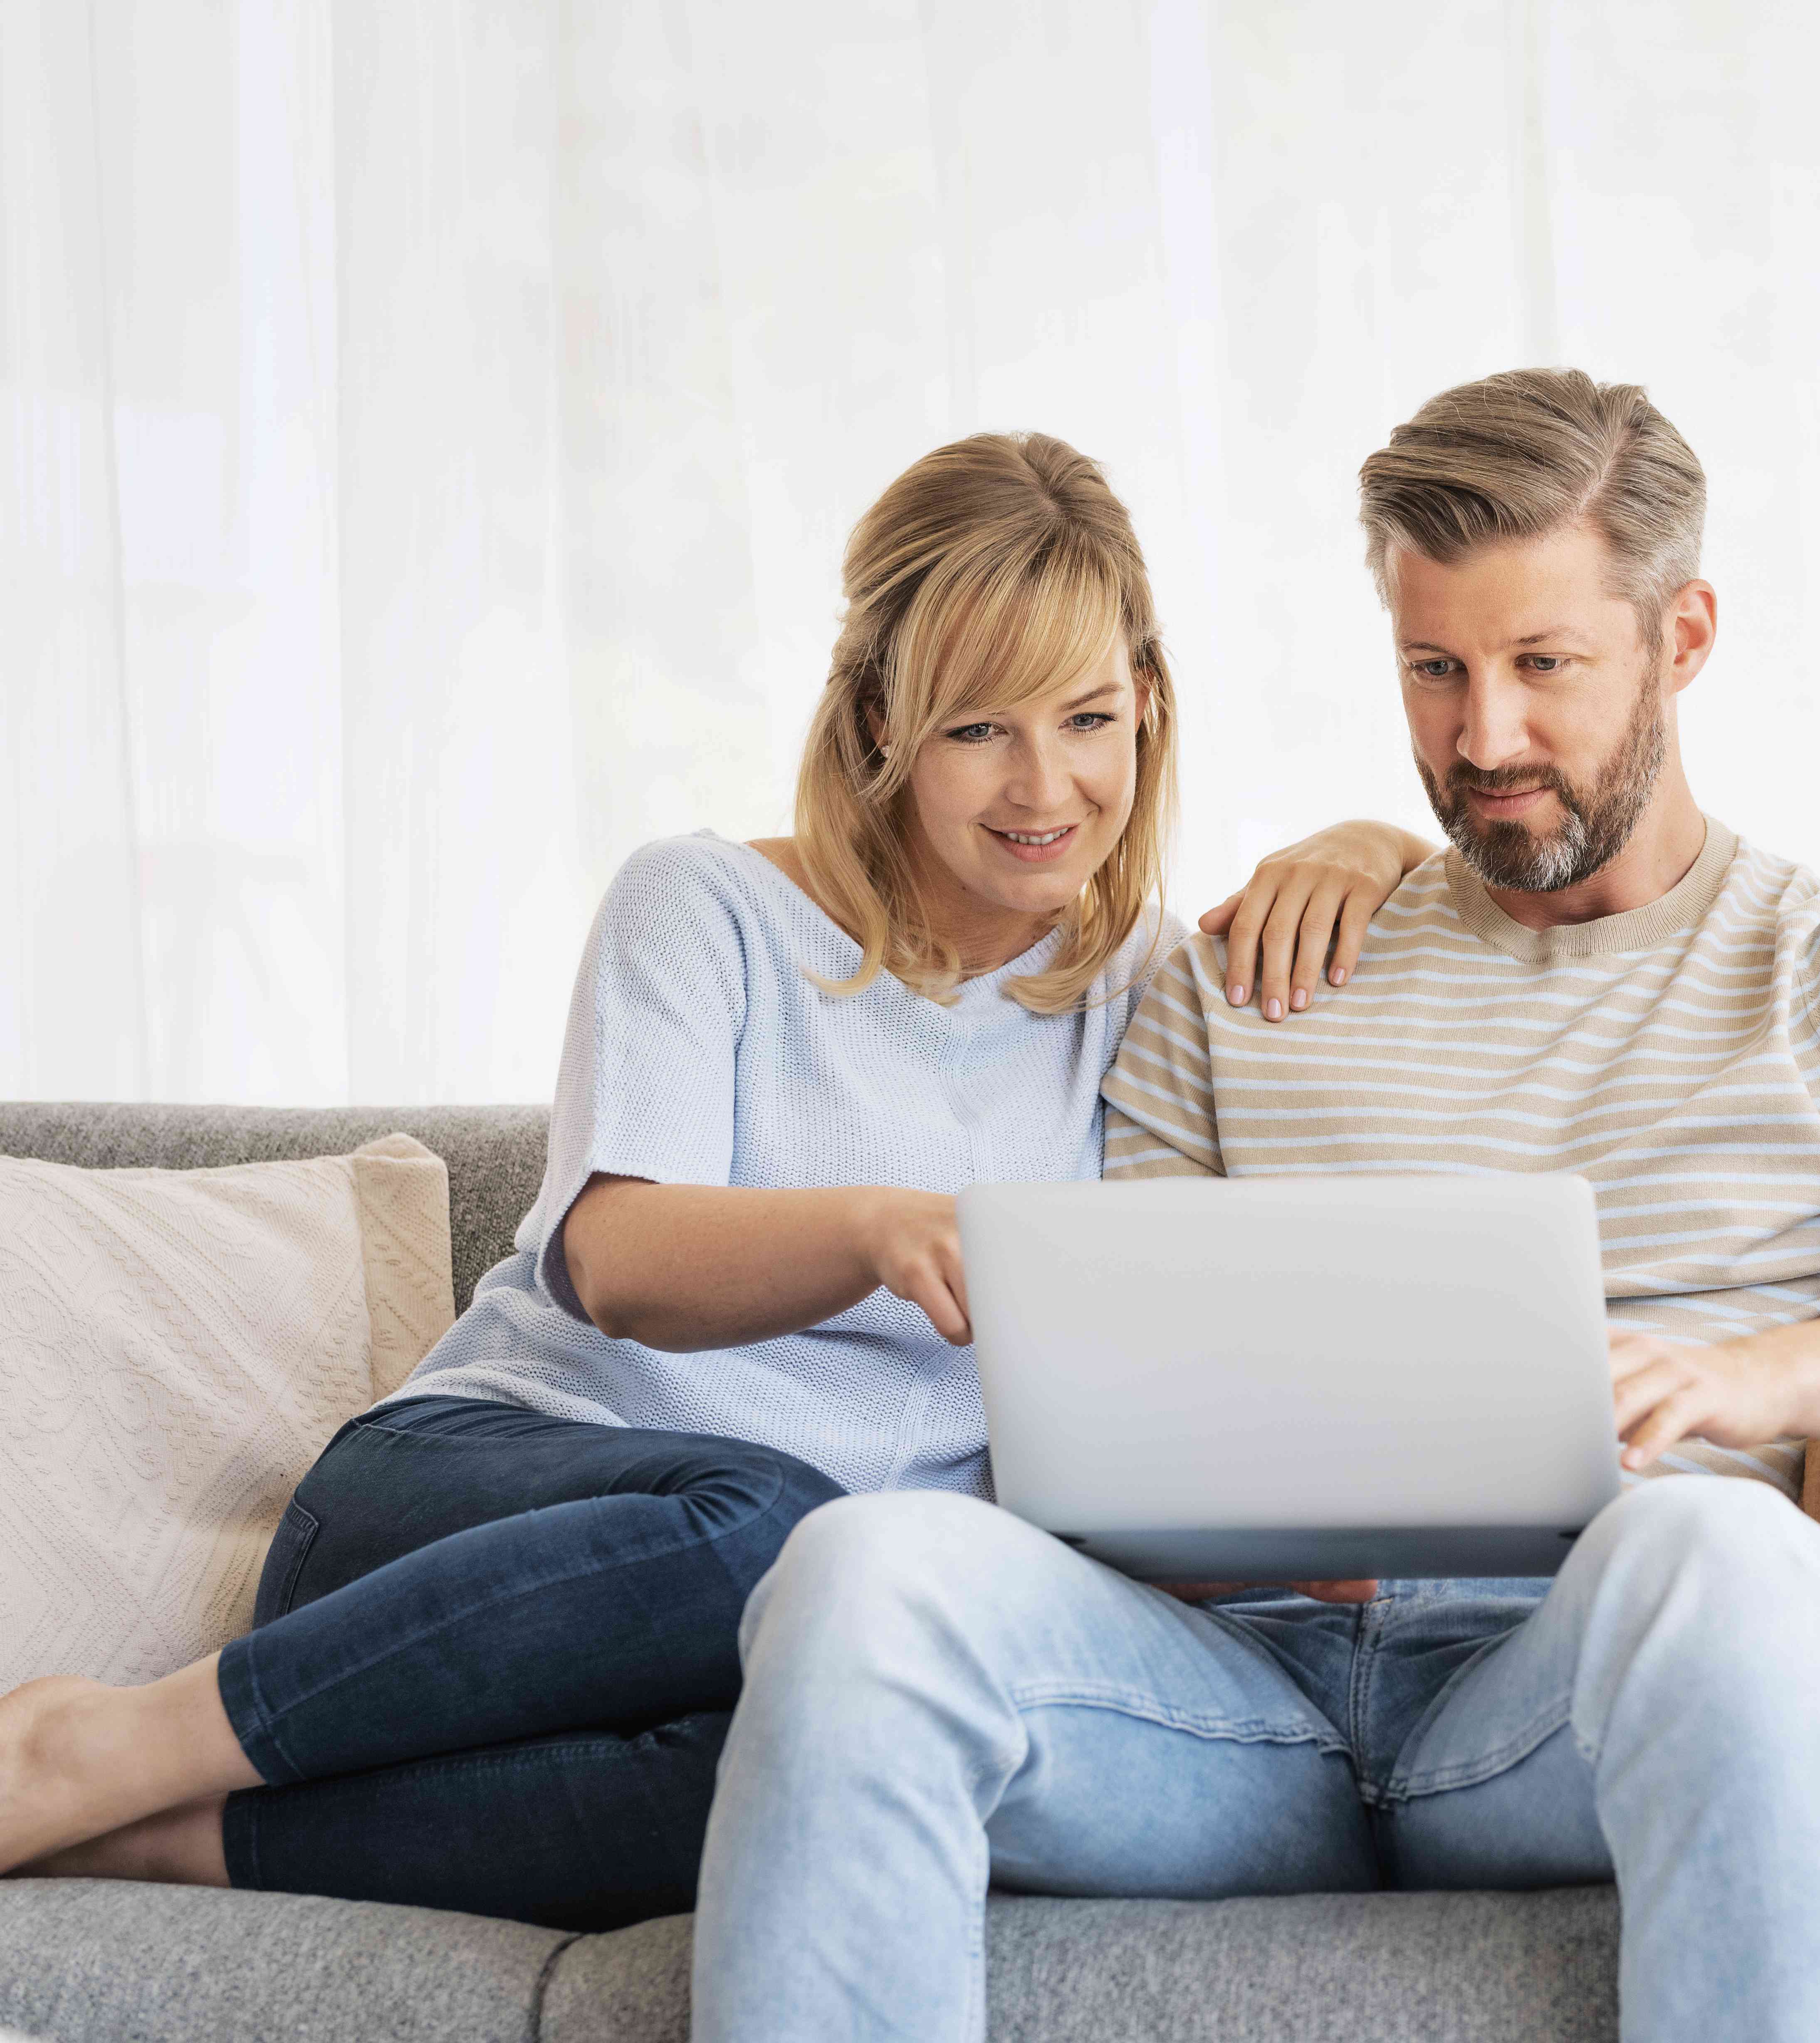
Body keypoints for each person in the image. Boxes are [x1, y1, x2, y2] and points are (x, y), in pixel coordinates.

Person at [692, 371, 1820, 2039]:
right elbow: (1098, 1391)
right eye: (1435, 670)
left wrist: (1750, 1380)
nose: (1482, 739)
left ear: (1681, 636)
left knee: (1733, 1554)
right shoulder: (1251, 968)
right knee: (863, 1578)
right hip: (1225, 1704)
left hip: (1562, 1694)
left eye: (1543, 666)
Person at [0, 430, 1432, 1929]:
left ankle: (166, 1844)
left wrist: (1376, 840)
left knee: (827, 1768)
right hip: (470, 1525)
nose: (1046, 787)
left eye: (1086, 718)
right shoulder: (708, 908)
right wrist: (877, 1229)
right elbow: (616, 1260)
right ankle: (94, 1744)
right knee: (785, 1531)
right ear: (879, 718)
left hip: (787, 1624)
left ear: (1148, 701)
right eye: (975, 730)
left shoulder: (1149, 999)